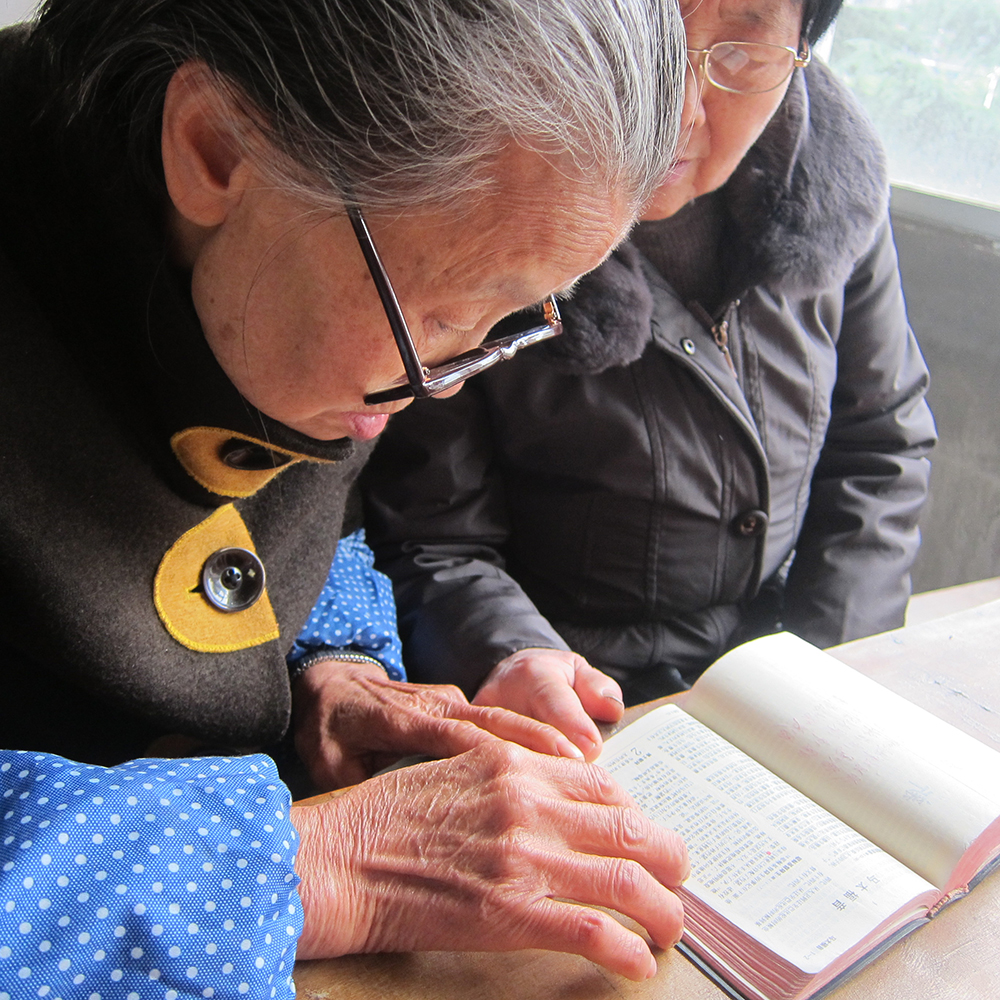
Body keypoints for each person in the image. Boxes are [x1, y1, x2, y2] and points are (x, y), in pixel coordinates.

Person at [0, 0, 691, 990]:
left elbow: (303, 520)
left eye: (508, 320)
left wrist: (332, 660)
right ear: (214, 146)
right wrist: (290, 865)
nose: (445, 383)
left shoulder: (294, 286)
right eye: (441, 314)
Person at [364, 0, 939, 758]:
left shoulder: (837, 189)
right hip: (585, 710)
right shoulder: (478, 205)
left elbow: (880, 446)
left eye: (739, 54)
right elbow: (430, 538)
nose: (675, 114)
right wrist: (512, 657)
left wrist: (822, 676)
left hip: (782, 677)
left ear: (800, 50)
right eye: (644, 42)